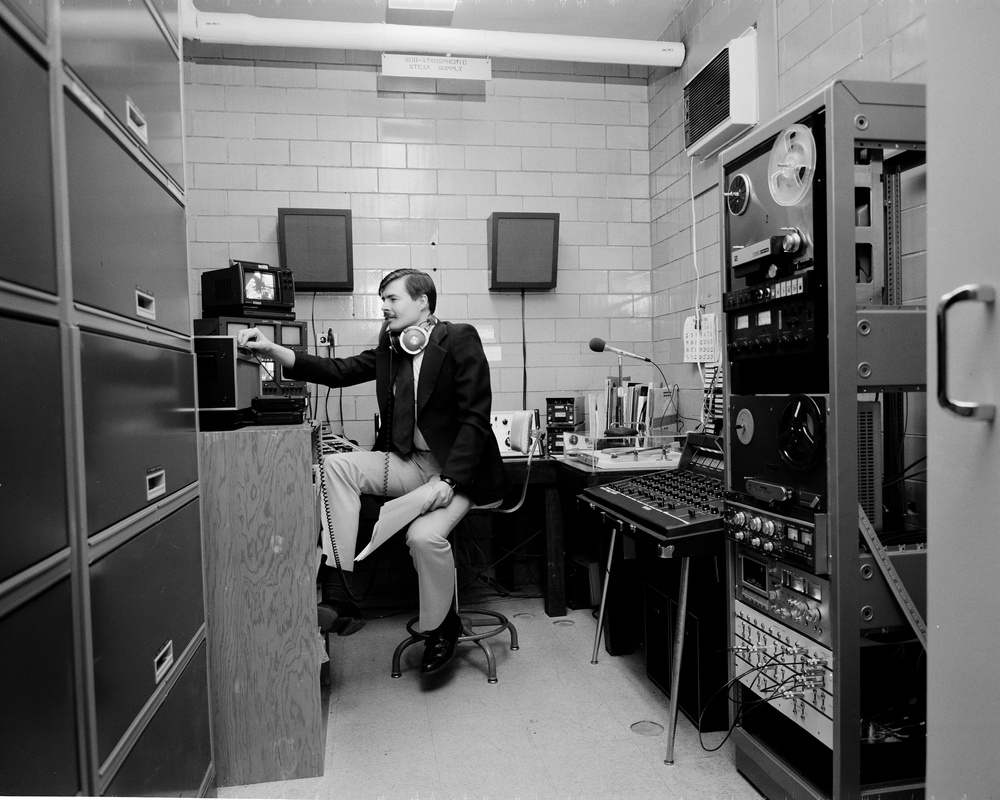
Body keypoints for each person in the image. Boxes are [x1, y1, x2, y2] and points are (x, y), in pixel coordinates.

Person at [236, 268, 505, 675]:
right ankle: (341, 593)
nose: (384, 306)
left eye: (393, 298)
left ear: (422, 302)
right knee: (337, 465)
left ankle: (442, 627)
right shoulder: (392, 345)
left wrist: (450, 481)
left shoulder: (460, 338)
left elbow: (474, 420)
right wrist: (274, 350)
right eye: (382, 299)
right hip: (411, 464)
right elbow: (340, 371)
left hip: (458, 471)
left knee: (423, 537)